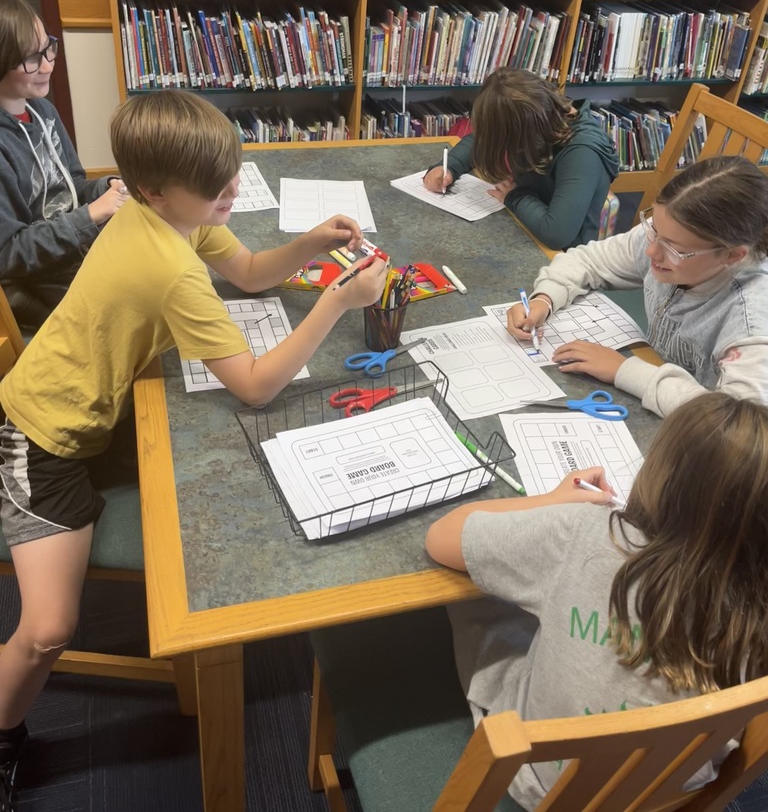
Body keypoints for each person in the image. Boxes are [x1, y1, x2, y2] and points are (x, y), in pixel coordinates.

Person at [0, 89, 386, 807]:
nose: (231, 194)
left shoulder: (172, 218)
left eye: (232, 177)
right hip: (40, 436)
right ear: (155, 190)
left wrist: (309, 246)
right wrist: (336, 300)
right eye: (217, 188)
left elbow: (246, 272)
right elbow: (258, 386)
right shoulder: (170, 264)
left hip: (93, 416)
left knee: (207, 481)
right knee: (47, 628)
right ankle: (3, 731)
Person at [425, 391, 768, 811]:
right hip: (660, 794)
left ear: (661, 473)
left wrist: (551, 501)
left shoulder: (590, 534)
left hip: (540, 783)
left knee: (477, 600)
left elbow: (442, 537)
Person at [508, 155, 768, 418]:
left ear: (732, 255)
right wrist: (545, 299)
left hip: (694, 435)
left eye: (673, 249)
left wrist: (627, 371)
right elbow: (589, 260)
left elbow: (739, 425)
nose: (651, 251)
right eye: (653, 229)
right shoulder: (669, 236)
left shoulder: (752, 323)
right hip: (659, 383)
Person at [0, 0, 128, 329]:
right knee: (134, 309)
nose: (47, 65)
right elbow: (9, 254)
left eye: (47, 48)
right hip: (39, 279)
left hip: (75, 252)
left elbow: (71, 186)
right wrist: (91, 216)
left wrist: (106, 188)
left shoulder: (43, 110)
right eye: (30, 58)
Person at [421, 68, 619, 250]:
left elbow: (557, 233)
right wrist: (448, 168)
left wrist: (513, 197)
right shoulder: (540, 116)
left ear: (520, 131)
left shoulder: (582, 153)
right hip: (523, 225)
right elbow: (482, 140)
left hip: (562, 257)